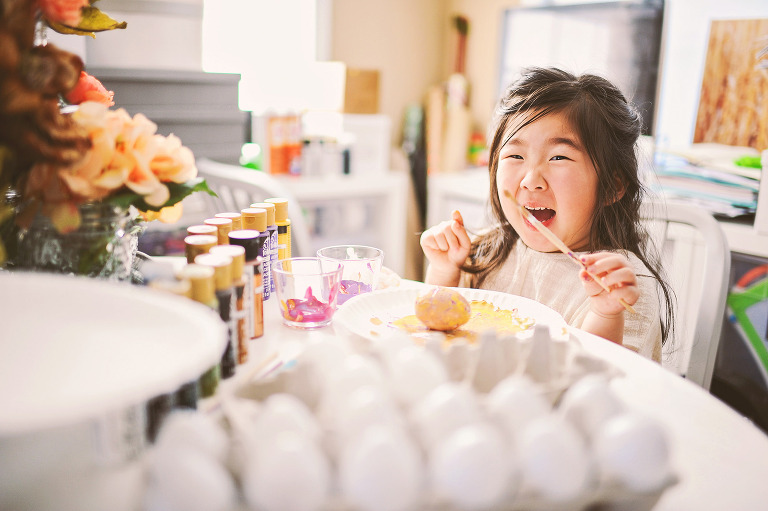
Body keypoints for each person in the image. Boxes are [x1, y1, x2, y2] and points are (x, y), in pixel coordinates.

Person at [420, 67, 674, 362]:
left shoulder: (621, 286)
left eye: (559, 157)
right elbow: (436, 342)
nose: (530, 179)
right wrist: (444, 271)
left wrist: (605, 314)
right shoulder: (484, 253)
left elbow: (595, 384)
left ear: (612, 186)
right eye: (515, 156)